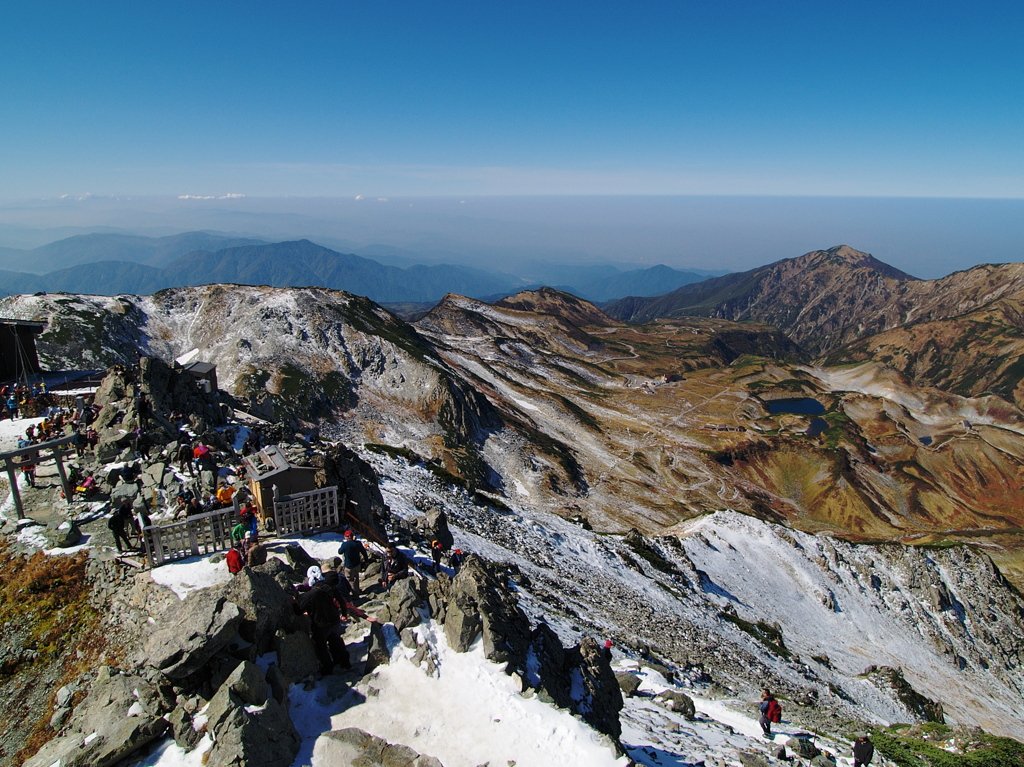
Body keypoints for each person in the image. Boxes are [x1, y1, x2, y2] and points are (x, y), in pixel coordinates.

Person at [296, 566, 351, 676]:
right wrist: (344, 613)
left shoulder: (310, 594)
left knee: (321, 646)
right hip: (335, 621)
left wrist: (294, 602)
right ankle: (345, 663)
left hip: (321, 625)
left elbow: (298, 610)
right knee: (336, 641)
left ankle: (328, 668)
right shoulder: (330, 588)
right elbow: (341, 601)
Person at [337, 530, 367, 598]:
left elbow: (340, 552)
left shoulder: (345, 544)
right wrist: (366, 561)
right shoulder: (358, 543)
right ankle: (358, 589)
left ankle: (355, 594)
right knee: (356, 577)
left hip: (348, 565)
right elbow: (364, 552)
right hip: (357, 564)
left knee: (350, 580)